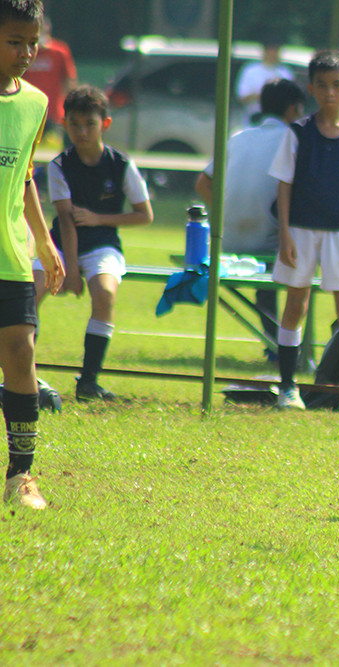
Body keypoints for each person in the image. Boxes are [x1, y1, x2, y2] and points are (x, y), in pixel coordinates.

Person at [268, 50, 339, 412]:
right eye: (322, 85)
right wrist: (284, 234)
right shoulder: (298, 133)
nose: (330, 92)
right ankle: (288, 388)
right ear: (311, 89)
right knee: (295, 304)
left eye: (336, 85)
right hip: (300, 230)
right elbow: (283, 186)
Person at [32, 85, 152, 401]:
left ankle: (88, 382)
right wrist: (70, 268)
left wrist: (99, 219)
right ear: (65, 123)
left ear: (105, 124)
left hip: (103, 244)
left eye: (90, 124)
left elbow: (144, 215)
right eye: (74, 125)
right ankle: (23, 376)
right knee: (31, 291)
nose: (82, 132)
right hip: (60, 244)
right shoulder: (60, 166)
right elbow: (66, 219)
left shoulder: (121, 165)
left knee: (105, 294)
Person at [0, 0, 65, 509]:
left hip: (10, 252)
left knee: (21, 352)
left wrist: (44, 240)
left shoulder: (37, 103)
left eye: (32, 41)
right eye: (14, 41)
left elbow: (24, 177)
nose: (27, 52)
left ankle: (21, 476)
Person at [195, 79, 306, 358]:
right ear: (293, 109)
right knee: (305, 258)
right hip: (270, 246)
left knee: (269, 281)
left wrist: (225, 212)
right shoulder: (296, 140)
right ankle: (289, 347)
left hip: (225, 244)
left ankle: (275, 342)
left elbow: (202, 184)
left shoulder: (238, 136)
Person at [22, 16, 75, 137]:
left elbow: (69, 78)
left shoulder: (59, 51)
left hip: (54, 111)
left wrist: (68, 105)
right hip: (28, 109)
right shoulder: (24, 51)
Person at [236, 37, 294, 126]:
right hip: (254, 122)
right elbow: (243, 97)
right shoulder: (250, 70)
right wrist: (266, 96)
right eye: (272, 50)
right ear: (265, 51)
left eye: (277, 50)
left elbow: (292, 98)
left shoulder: (285, 72)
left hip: (279, 123)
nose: (274, 54)